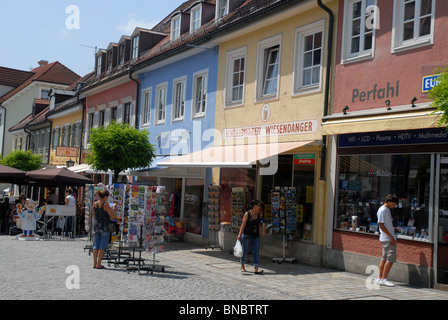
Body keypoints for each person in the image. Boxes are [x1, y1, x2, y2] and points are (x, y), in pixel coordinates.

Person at [237, 200, 266, 274]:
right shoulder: (247, 214)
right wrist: (239, 234)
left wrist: (259, 235)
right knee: (245, 251)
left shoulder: (259, 214)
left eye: (260, 205)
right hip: (247, 235)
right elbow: (243, 225)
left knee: (256, 252)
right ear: (254, 205)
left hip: (255, 236)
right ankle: (242, 266)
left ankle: (256, 268)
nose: (260, 207)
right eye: (258, 205)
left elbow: (259, 226)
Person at [376, 193, 399, 287]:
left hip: (386, 238)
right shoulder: (383, 210)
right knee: (390, 259)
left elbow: (385, 224)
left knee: (384, 258)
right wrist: (391, 237)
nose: (395, 206)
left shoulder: (386, 210)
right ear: (389, 202)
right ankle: (384, 279)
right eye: (394, 204)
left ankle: (380, 278)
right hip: (387, 239)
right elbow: (381, 225)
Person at [91, 189, 116, 269]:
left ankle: (94, 263)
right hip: (105, 227)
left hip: (97, 226)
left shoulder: (94, 204)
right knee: (102, 245)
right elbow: (111, 215)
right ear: (105, 197)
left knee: (96, 244)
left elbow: (94, 215)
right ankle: (99, 264)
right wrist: (114, 208)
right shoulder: (105, 204)